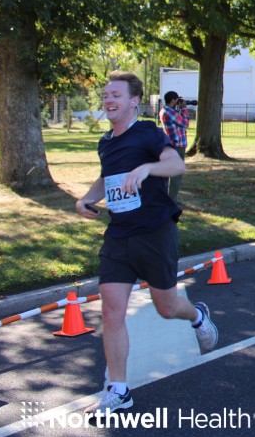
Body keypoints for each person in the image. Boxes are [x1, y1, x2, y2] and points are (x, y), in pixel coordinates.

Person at [76, 71, 218, 416]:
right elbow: (106, 178)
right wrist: (87, 199)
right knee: (111, 310)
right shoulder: (106, 142)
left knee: (166, 307)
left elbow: (175, 163)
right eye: (105, 95)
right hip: (119, 235)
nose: (108, 100)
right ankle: (119, 389)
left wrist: (147, 169)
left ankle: (197, 315)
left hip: (155, 231)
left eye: (116, 95)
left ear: (134, 101)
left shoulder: (147, 133)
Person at [159, 91, 190, 203]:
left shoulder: (164, 110)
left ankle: (168, 198)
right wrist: (184, 108)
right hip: (177, 146)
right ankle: (172, 200)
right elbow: (185, 123)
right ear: (172, 100)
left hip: (170, 145)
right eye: (177, 100)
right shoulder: (170, 112)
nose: (178, 102)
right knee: (176, 174)